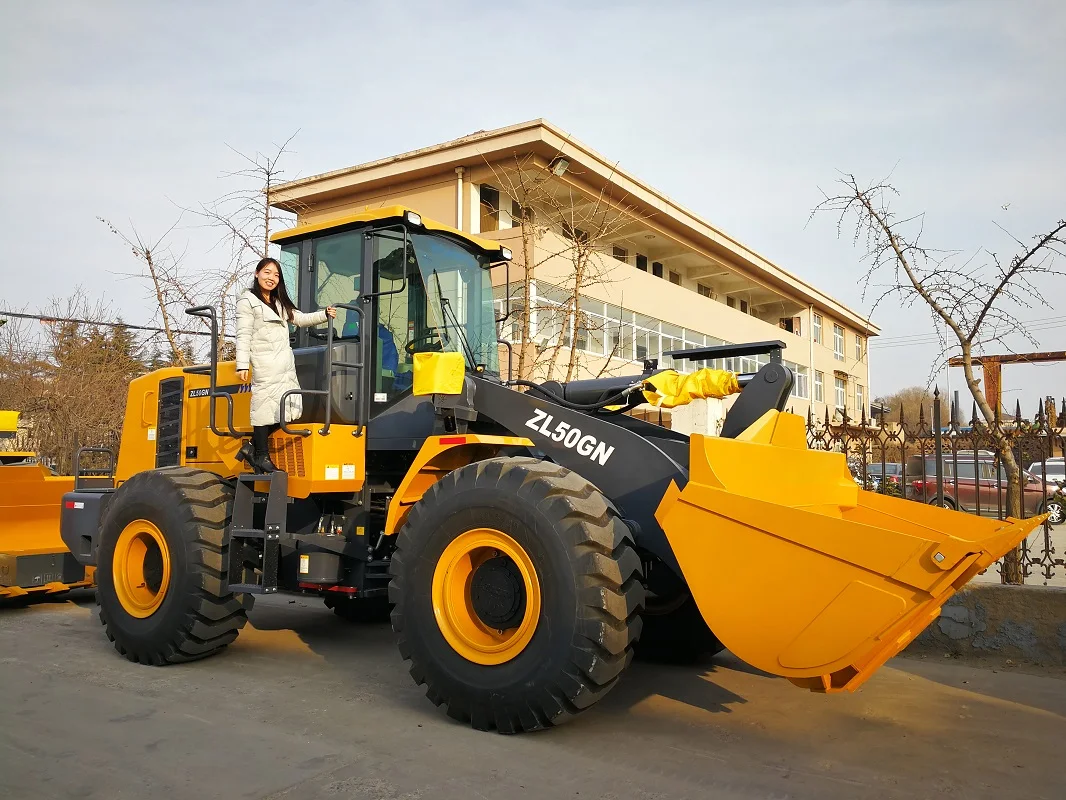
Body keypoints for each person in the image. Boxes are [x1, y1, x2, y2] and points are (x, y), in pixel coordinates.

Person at [235, 257, 336, 473]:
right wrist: (242, 364)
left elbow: (300, 319)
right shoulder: (248, 301)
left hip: (284, 365)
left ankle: (251, 447)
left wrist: (324, 315)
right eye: (267, 272)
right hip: (265, 364)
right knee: (264, 409)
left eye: (276, 275)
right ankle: (261, 456)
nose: (271, 278)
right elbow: (243, 335)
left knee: (288, 410)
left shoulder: (279, 302)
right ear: (257, 274)